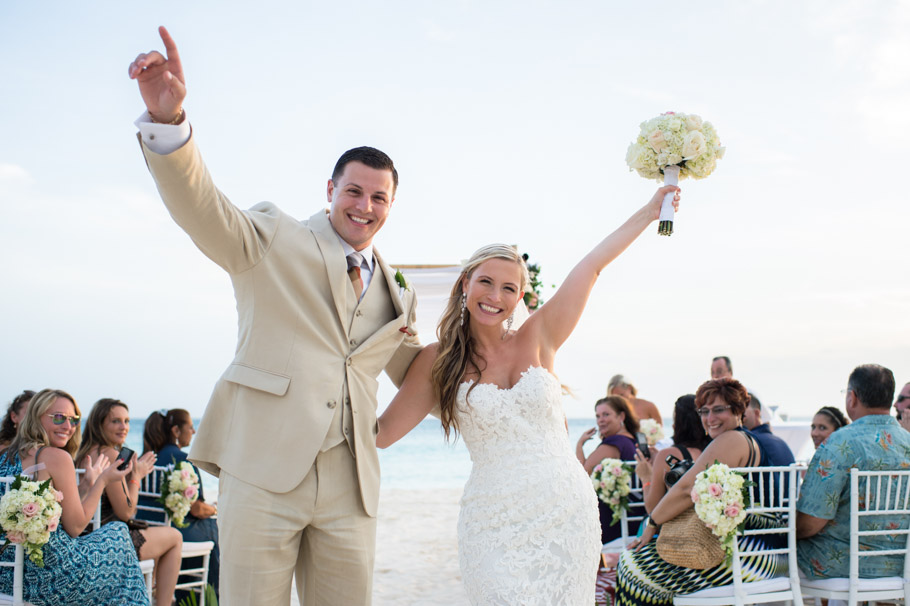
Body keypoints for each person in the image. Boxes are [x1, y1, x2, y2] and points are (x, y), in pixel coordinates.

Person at [128, 27, 421, 606]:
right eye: (354, 191)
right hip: (262, 469)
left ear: (390, 205)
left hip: (351, 485)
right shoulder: (273, 236)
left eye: (378, 197)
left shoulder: (398, 291)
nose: (364, 206)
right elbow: (205, 212)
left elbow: (420, 370)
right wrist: (172, 125)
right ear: (330, 189)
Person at [377, 181, 681, 604]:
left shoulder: (540, 335)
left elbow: (592, 265)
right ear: (465, 283)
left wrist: (650, 212)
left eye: (508, 288)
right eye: (486, 282)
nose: (495, 296)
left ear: (521, 296)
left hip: (566, 512)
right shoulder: (437, 360)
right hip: (493, 524)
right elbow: (383, 433)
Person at [616, 378, 783, 606]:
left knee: (633, 566)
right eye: (704, 411)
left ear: (739, 410)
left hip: (752, 555)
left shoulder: (732, 439)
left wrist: (652, 523)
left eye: (718, 410)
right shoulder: (746, 439)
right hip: (762, 550)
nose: (709, 419)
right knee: (642, 563)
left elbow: (686, 488)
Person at [0, 389, 149, 605]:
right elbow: (76, 527)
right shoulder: (55, 457)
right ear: (36, 416)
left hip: (8, 576)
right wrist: (102, 482)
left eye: (74, 420)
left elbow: (58, 511)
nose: (68, 427)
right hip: (55, 577)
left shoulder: (5, 456)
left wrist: (86, 485)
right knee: (119, 532)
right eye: (58, 418)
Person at [796, 364, 910, 580]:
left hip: (838, 566)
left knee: (766, 561)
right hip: (900, 566)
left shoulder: (839, 442)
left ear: (852, 397)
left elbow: (810, 523)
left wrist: (783, 529)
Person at [75, 398, 182, 605]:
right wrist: (137, 476)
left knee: (158, 537)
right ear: (100, 424)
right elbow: (126, 511)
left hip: (85, 536)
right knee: (174, 537)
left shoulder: (83, 452)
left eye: (126, 421)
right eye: (115, 421)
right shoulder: (111, 455)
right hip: (109, 541)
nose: (123, 427)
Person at [141, 409, 220, 600]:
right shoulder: (183, 460)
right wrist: (216, 509)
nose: (193, 432)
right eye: (191, 427)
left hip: (149, 530)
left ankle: (187, 595)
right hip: (176, 532)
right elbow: (198, 509)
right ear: (176, 431)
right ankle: (211, 596)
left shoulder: (146, 459)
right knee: (215, 525)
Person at [577, 395, 640, 544]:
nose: (601, 420)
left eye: (606, 414)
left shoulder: (615, 443)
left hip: (612, 521)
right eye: (598, 416)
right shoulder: (632, 440)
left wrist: (579, 445)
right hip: (632, 517)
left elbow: (582, 476)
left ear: (621, 416)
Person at [634, 394, 709, 513]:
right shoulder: (713, 448)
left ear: (678, 423)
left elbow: (652, 509)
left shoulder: (667, 455)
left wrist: (646, 477)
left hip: (680, 527)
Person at [741, 393, 794, 466]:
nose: (737, 415)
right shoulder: (779, 441)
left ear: (756, 413)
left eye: (742, 412)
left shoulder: (751, 440)